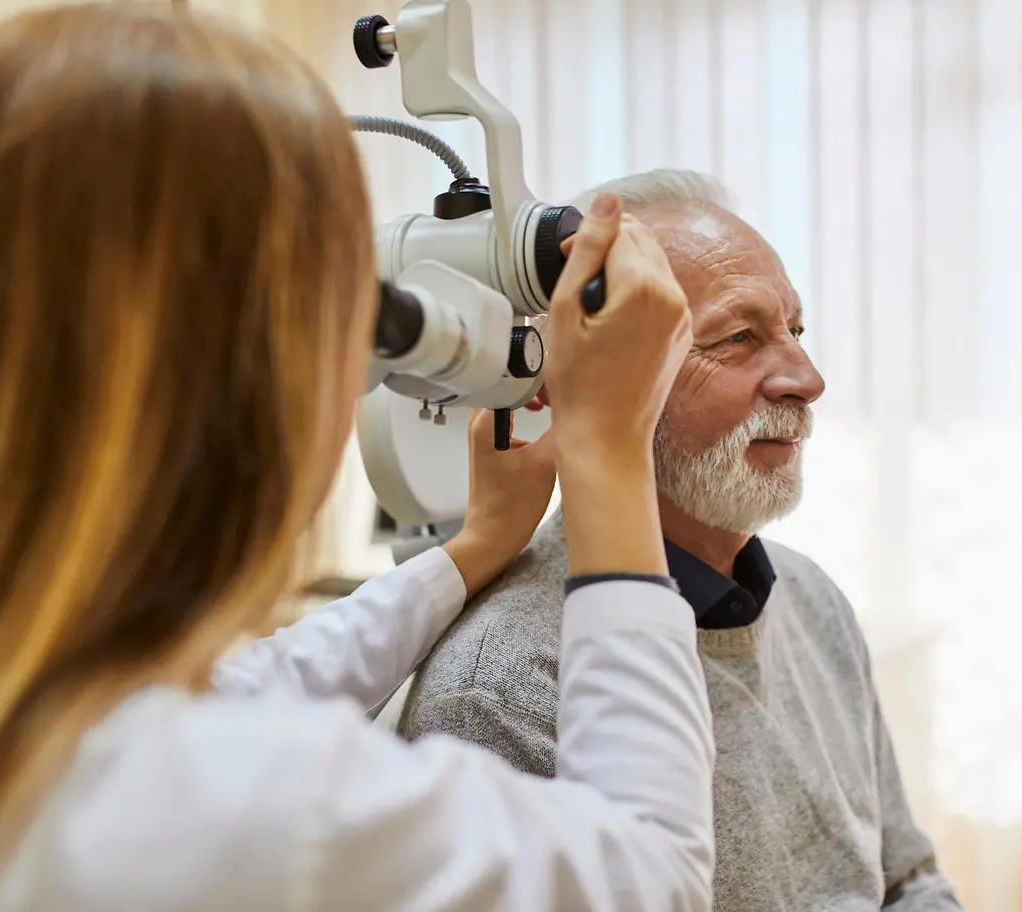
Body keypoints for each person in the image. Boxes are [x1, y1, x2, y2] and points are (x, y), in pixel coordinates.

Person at [0, 2, 712, 911]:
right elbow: (654, 875)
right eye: (358, 315)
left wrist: (474, 547)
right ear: (260, 377)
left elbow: (248, 687)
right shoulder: (257, 809)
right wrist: (608, 452)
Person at [401, 170, 963, 911]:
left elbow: (908, 880)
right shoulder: (502, 690)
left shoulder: (812, 600)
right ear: (600, 376)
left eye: (795, 331)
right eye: (739, 337)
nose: (807, 377)